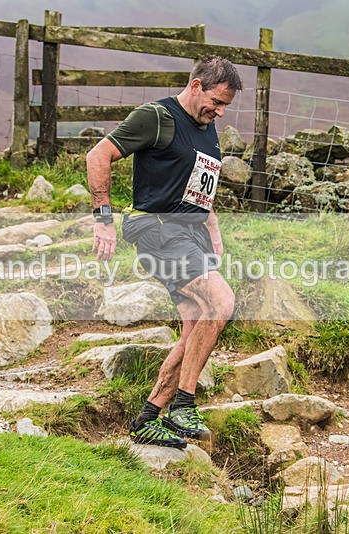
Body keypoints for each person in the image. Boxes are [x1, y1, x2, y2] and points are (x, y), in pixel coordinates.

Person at [86, 55, 243, 449]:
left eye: (226, 106)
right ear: (195, 86)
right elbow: (97, 155)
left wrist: (214, 228)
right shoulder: (156, 116)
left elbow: (197, 185)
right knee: (221, 302)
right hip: (155, 226)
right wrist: (103, 218)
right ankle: (184, 405)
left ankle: (148, 418)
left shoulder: (206, 128)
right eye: (217, 102)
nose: (220, 112)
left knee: (196, 323)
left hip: (190, 232)